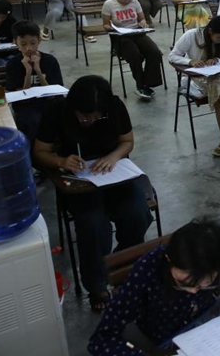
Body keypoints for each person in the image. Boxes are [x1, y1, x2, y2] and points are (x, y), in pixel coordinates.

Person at [33, 75, 153, 311]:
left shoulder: (114, 107)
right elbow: (39, 151)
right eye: (85, 116)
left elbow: (127, 141)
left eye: (97, 116)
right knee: (93, 224)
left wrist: (113, 156)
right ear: (73, 107)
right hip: (78, 179)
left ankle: (119, 264)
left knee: (138, 214)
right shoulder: (57, 111)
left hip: (113, 173)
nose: (91, 120)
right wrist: (61, 161)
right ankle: (97, 284)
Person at [88, 218, 220, 355]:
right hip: (162, 335)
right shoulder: (147, 270)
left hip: (211, 325)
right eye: (184, 283)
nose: (194, 291)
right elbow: (101, 339)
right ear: (169, 260)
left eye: (205, 285)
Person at [169, 16, 220, 156]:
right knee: (217, 86)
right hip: (196, 78)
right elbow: (172, 56)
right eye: (219, 37)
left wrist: (217, 59)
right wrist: (190, 61)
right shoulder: (191, 35)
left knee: (217, 90)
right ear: (210, 31)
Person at [102, 0, 163, 100]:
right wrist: (110, 27)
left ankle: (148, 83)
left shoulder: (135, 2)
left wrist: (143, 23)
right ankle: (141, 85)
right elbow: (105, 24)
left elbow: (141, 18)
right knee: (135, 55)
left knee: (154, 52)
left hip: (136, 33)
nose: (127, 0)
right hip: (120, 36)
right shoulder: (109, 4)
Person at [5, 20, 63, 142]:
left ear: (39, 40)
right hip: (26, 106)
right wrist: (28, 72)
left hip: (49, 103)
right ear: (15, 42)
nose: (29, 48)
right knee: (32, 121)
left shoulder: (50, 60)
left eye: (33, 43)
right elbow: (22, 98)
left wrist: (37, 69)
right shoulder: (13, 64)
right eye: (23, 44)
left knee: (64, 115)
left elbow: (53, 95)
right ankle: (34, 152)